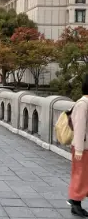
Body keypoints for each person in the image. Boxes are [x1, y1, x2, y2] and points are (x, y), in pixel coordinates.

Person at [67, 74, 88, 217]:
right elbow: (79, 127)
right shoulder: (83, 104)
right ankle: (75, 203)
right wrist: (79, 149)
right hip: (83, 147)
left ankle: (75, 200)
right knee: (80, 176)